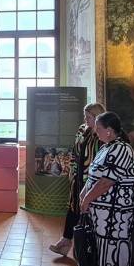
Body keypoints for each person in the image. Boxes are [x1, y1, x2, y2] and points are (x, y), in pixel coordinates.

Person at [79, 111, 134, 266]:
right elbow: (94, 175)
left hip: (116, 216)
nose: (95, 132)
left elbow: (106, 181)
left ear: (109, 131)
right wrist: (84, 194)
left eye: (98, 128)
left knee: (115, 256)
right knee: (104, 253)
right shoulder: (107, 147)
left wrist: (87, 199)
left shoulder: (122, 149)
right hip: (103, 216)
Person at [49, 102, 105, 257]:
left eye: (88, 117)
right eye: (85, 116)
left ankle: (86, 248)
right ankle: (65, 241)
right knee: (73, 208)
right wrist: (72, 171)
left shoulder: (101, 134)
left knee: (87, 211)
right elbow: (75, 151)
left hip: (92, 181)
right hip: (77, 178)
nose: (85, 120)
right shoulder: (82, 129)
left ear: (97, 117)